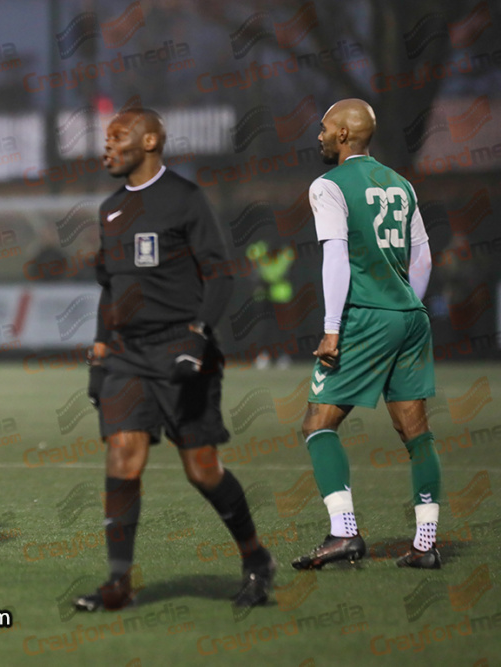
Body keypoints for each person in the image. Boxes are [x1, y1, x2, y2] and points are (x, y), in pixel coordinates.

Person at [76, 108, 275, 611]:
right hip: (126, 355)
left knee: (202, 469)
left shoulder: (186, 199)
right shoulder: (110, 209)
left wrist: (197, 336)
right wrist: (100, 351)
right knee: (123, 455)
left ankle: (255, 557)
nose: (107, 146)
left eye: (117, 137)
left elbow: (221, 275)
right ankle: (118, 583)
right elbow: (110, 288)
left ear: (149, 142)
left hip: (182, 349)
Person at [293, 99, 439, 570]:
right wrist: (405, 304)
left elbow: (335, 257)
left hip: (366, 318)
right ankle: (426, 542)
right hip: (411, 317)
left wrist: (332, 329)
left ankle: (343, 534)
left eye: (323, 128)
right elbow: (423, 259)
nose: (317, 135)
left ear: (341, 135)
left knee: (318, 425)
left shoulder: (328, 186)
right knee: (415, 433)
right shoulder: (401, 184)